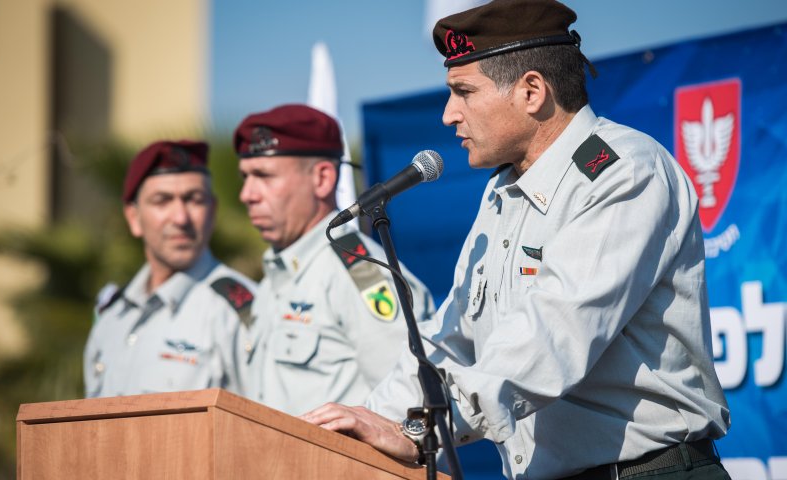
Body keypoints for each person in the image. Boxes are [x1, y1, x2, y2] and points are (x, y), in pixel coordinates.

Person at [301, 1, 731, 479]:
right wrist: (366, 425)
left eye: (463, 92)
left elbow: (556, 330)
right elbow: (450, 341)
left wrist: (420, 428)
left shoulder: (624, 171)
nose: (448, 115)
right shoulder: (504, 193)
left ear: (531, 91)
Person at [233, 104, 436, 416]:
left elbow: (411, 409)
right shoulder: (276, 274)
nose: (247, 194)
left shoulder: (360, 272)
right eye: (245, 177)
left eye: (263, 175)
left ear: (323, 178)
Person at [83, 140, 256, 398]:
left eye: (194, 200)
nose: (180, 218)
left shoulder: (241, 312)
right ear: (134, 218)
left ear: (213, 211)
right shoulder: (112, 316)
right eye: (162, 201)